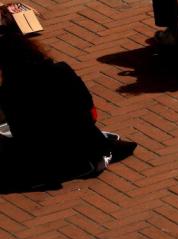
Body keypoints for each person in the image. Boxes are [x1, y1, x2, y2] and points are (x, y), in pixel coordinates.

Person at [0, 25, 135, 191]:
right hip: (85, 146)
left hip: (49, 156)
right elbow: (91, 113)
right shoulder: (62, 71)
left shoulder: (10, 91)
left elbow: (23, 135)